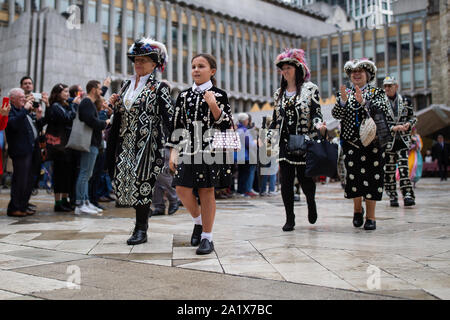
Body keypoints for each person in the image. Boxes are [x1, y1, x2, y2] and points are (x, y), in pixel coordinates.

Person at [107, 38, 174, 245]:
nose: (138, 63)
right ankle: (140, 224)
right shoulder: (126, 85)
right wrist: (114, 106)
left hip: (148, 144)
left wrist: (173, 146)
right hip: (124, 143)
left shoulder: (159, 87)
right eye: (136, 60)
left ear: (154, 64)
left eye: (143, 60)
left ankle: (141, 229)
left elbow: (169, 117)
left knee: (143, 185)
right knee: (128, 185)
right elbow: (122, 113)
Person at [169, 53, 233, 255]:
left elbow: (225, 124)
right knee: (181, 188)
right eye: (194, 66)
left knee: (206, 191)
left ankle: (207, 237)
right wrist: (173, 151)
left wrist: (213, 104)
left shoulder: (220, 94)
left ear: (212, 71)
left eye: (201, 66)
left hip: (210, 149)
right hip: (187, 147)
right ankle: (198, 220)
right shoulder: (184, 95)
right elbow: (177, 125)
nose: (196, 70)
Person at [267, 48, 326, 232]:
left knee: (306, 179)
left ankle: (311, 201)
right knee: (286, 182)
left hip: (305, 141)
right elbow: (276, 119)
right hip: (285, 143)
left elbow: (316, 113)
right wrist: (268, 137)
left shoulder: (310, 89)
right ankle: (289, 218)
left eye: (288, 68)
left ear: (298, 69)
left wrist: (319, 126)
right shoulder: (279, 93)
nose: (285, 71)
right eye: (282, 69)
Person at [332, 58, 392, 231]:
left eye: (360, 71)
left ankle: (371, 217)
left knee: (373, 178)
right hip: (352, 144)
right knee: (354, 178)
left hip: (373, 144)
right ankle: (357, 210)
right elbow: (336, 114)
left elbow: (384, 111)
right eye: (353, 72)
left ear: (368, 74)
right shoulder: (346, 93)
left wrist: (364, 102)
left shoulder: (377, 93)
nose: (356, 74)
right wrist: (343, 101)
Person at [5, 88, 45, 217]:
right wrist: (25, 110)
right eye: (21, 97)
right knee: (20, 180)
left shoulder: (24, 111)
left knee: (29, 180)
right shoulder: (11, 110)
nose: (24, 99)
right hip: (20, 151)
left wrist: (39, 117)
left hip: (31, 149)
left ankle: (23, 205)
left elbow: (34, 128)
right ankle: (14, 207)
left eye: (24, 97)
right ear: (13, 99)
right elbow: (13, 125)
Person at [74, 80, 109, 215]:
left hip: (92, 142)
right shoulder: (87, 102)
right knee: (84, 174)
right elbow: (89, 120)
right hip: (88, 142)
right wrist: (104, 123)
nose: (101, 92)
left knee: (87, 174)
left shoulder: (89, 103)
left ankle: (86, 201)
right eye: (100, 89)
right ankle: (80, 203)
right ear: (94, 89)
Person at [382, 76, 417, 207]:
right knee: (389, 171)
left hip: (402, 140)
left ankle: (407, 195)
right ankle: (392, 196)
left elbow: (413, 117)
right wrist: (393, 127)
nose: (387, 88)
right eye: (385, 86)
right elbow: (380, 122)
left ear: (396, 86)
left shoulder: (406, 101)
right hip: (389, 142)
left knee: (403, 168)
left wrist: (408, 124)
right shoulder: (382, 103)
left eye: (389, 86)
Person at [45, 83, 77, 212]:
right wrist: (74, 106)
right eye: (65, 92)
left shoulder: (65, 105)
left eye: (68, 91)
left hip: (66, 145)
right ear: (58, 93)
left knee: (67, 174)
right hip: (59, 147)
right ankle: (58, 202)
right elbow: (68, 118)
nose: (67, 94)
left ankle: (65, 199)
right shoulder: (55, 106)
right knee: (59, 175)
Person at [235, 112, 258, 197]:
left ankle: (240, 190)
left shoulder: (237, 129)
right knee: (245, 173)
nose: (248, 121)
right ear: (244, 121)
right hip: (245, 155)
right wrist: (255, 142)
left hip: (239, 154)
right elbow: (250, 144)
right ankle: (244, 191)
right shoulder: (244, 131)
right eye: (247, 120)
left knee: (241, 173)